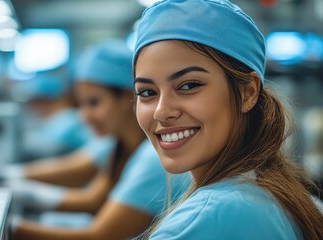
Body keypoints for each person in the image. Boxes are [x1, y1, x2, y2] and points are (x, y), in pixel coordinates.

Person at [132, 0, 323, 239]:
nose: (161, 111)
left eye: (189, 85)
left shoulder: (212, 216)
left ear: (248, 92)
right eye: (147, 92)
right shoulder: (279, 192)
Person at [11, 40, 191, 240]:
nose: (84, 116)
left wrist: (10, 228)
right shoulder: (119, 144)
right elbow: (94, 198)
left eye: (94, 102)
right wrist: (17, 185)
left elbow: (99, 235)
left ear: (128, 97)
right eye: (81, 104)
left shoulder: (153, 157)